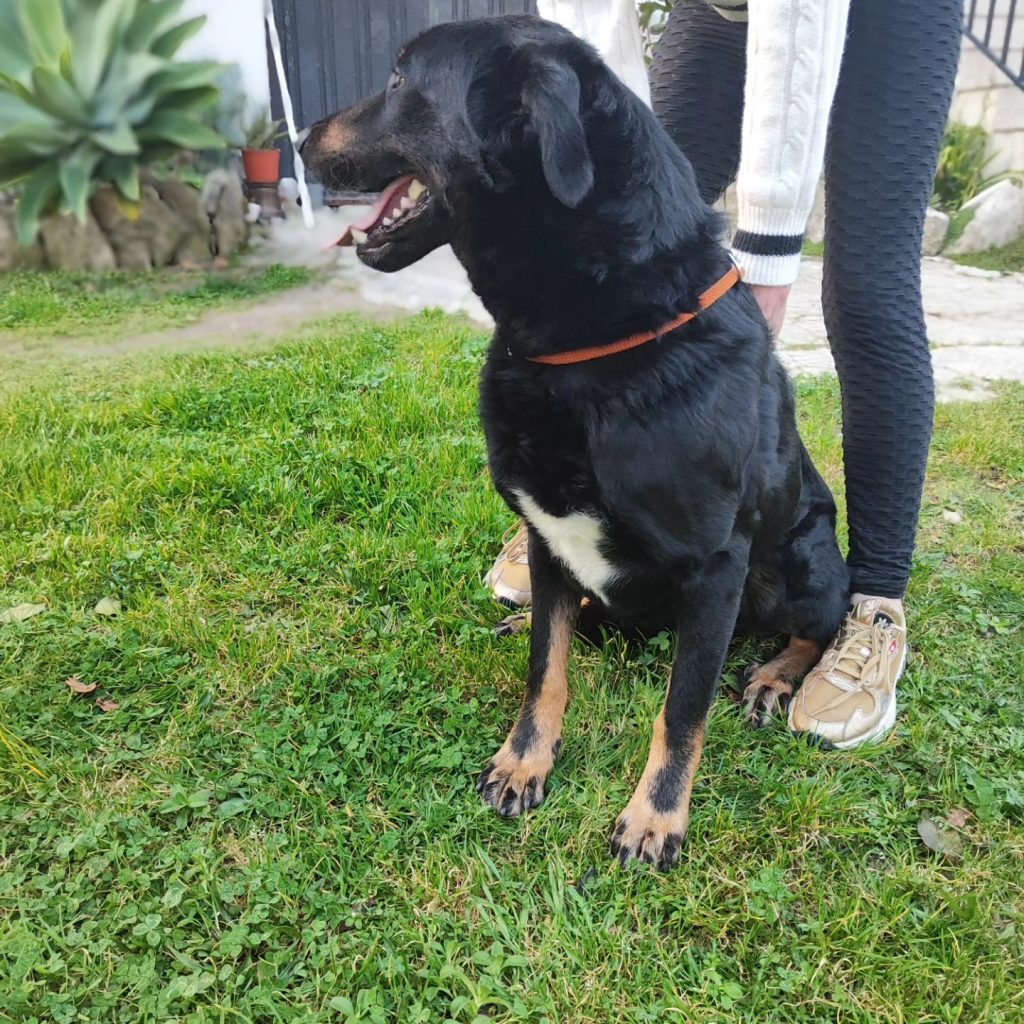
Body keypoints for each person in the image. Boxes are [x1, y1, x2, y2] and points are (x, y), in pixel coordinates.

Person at [486, 0, 963, 749]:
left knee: (868, 290)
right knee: (625, 208)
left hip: (884, 15)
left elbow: (799, 16)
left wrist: (767, 249)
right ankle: (580, 522)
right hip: (722, 9)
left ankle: (872, 605)